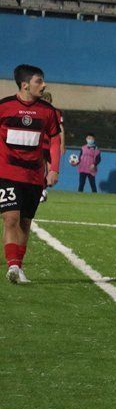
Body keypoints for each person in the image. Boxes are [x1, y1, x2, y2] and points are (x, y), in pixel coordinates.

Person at [0, 64, 61, 284]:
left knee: (25, 222)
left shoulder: (48, 111)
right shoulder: (4, 107)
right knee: (10, 218)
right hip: (6, 173)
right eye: (39, 81)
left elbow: (55, 139)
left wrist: (53, 169)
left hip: (34, 176)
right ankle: (12, 265)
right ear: (25, 85)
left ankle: (19, 266)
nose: (44, 85)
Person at [39, 91, 64, 203]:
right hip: (40, 144)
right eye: (44, 99)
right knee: (42, 168)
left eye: (48, 100)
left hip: (51, 144)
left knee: (49, 169)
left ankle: (43, 189)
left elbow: (60, 129)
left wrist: (62, 144)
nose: (46, 102)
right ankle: (41, 191)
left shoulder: (56, 112)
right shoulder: (36, 110)